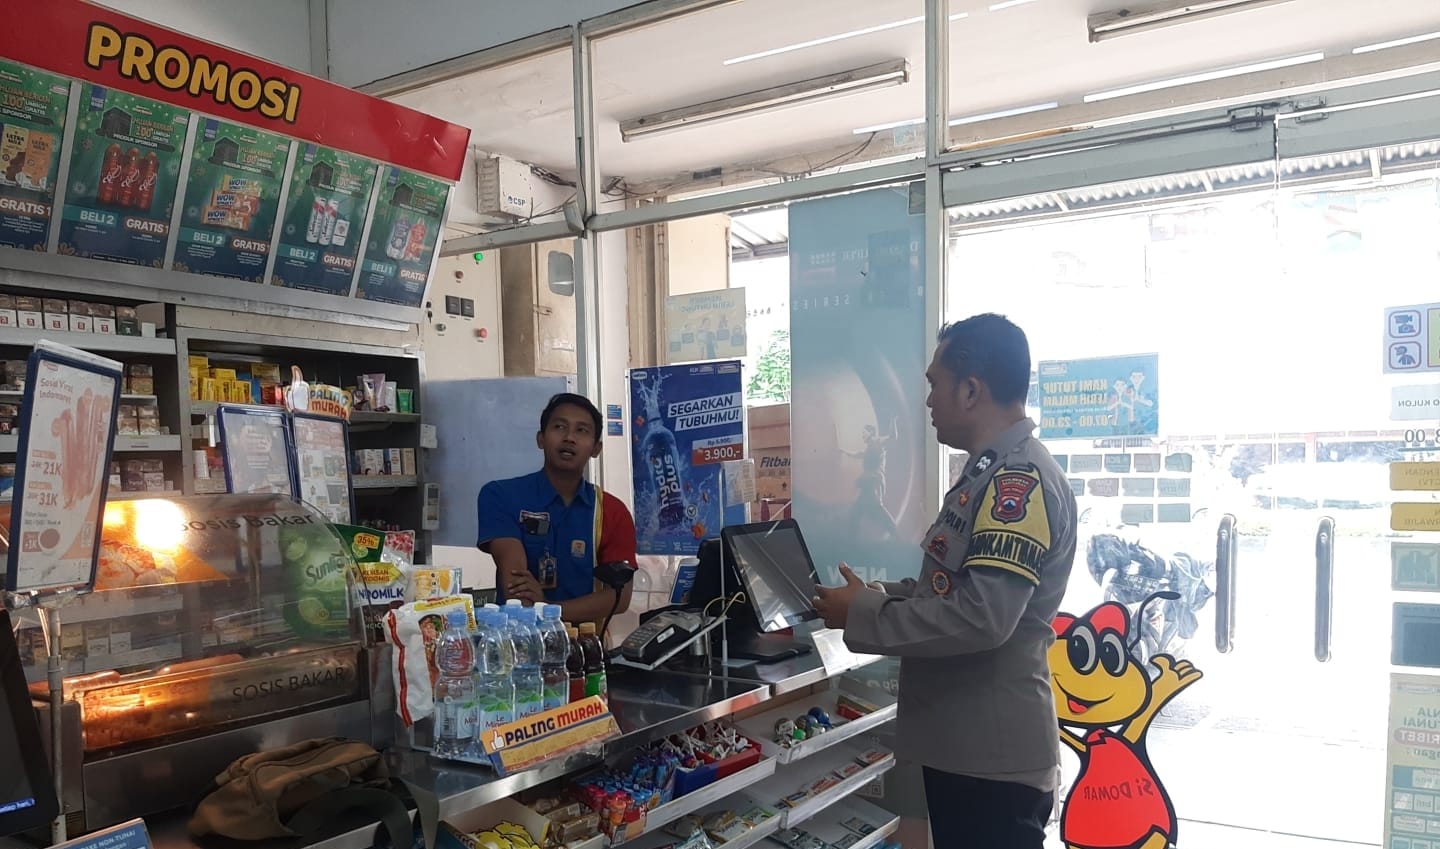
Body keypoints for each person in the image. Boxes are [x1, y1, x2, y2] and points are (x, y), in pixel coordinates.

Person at [813, 313, 1078, 849]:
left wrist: (861, 613)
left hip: (991, 763)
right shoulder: (986, 472)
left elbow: (983, 617)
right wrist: (877, 595)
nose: (929, 401)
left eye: (935, 384)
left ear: (971, 390)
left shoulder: (1016, 481)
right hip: (968, 749)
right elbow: (954, 590)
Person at [477, 393, 637, 627]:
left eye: (581, 430)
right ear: (540, 439)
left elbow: (620, 597)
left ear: (596, 448)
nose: (569, 437)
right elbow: (517, 590)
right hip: (519, 639)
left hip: (585, 643)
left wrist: (550, 609)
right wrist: (541, 607)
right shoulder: (501, 495)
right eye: (559, 427)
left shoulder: (612, 512)